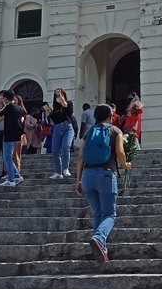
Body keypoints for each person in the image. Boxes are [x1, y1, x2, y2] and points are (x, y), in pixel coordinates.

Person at [76, 103, 132, 262]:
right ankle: (99, 238)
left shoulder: (88, 132)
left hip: (87, 176)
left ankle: (102, 251)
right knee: (109, 214)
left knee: (98, 213)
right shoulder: (115, 130)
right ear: (110, 116)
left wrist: (78, 180)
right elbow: (120, 152)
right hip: (106, 175)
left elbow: (80, 157)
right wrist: (125, 165)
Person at [0, 90, 26, 188]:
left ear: (5, 98)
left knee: (7, 158)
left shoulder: (8, 106)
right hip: (17, 136)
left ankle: (11, 179)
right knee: (9, 157)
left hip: (9, 135)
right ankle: (17, 176)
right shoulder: (19, 107)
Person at [49, 88, 74, 180]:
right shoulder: (54, 110)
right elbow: (52, 123)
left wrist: (60, 96)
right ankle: (58, 172)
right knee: (55, 150)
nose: (58, 97)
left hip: (67, 128)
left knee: (65, 146)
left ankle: (65, 169)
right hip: (57, 128)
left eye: (60, 95)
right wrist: (48, 114)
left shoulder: (69, 103)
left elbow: (64, 104)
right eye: (56, 96)